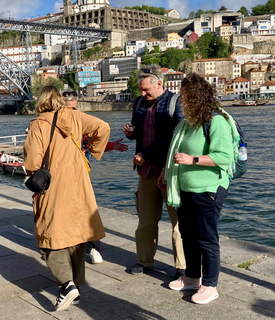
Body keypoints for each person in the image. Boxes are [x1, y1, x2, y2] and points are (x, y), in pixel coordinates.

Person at [24, 86, 110, 311]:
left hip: (54, 184)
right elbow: (103, 127)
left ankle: (67, 285)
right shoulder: (74, 116)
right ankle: (77, 287)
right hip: (79, 183)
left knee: (49, 234)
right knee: (77, 233)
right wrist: (91, 150)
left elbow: (32, 163)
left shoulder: (38, 124)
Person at [160, 73, 236, 304]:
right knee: (188, 235)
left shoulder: (216, 121)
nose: (181, 101)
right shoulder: (188, 123)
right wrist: (168, 169)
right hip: (186, 188)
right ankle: (192, 276)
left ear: (197, 98)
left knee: (206, 238)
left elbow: (224, 157)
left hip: (208, 188)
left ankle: (210, 285)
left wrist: (192, 159)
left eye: (185, 98)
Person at [123, 64, 186, 278]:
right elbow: (138, 131)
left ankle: (182, 266)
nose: (142, 93)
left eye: (146, 89)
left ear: (160, 84)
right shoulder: (139, 103)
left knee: (178, 222)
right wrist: (131, 133)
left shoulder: (176, 102)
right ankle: (144, 261)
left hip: (169, 170)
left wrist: (147, 152)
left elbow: (176, 138)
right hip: (147, 171)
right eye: (141, 89)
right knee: (146, 221)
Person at [62, 89, 128, 264]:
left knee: (75, 210)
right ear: (75, 102)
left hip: (67, 171)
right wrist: (108, 146)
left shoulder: (59, 119)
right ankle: (93, 248)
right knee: (86, 209)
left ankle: (82, 247)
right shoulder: (82, 118)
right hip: (79, 170)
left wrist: (108, 146)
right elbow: (93, 139)